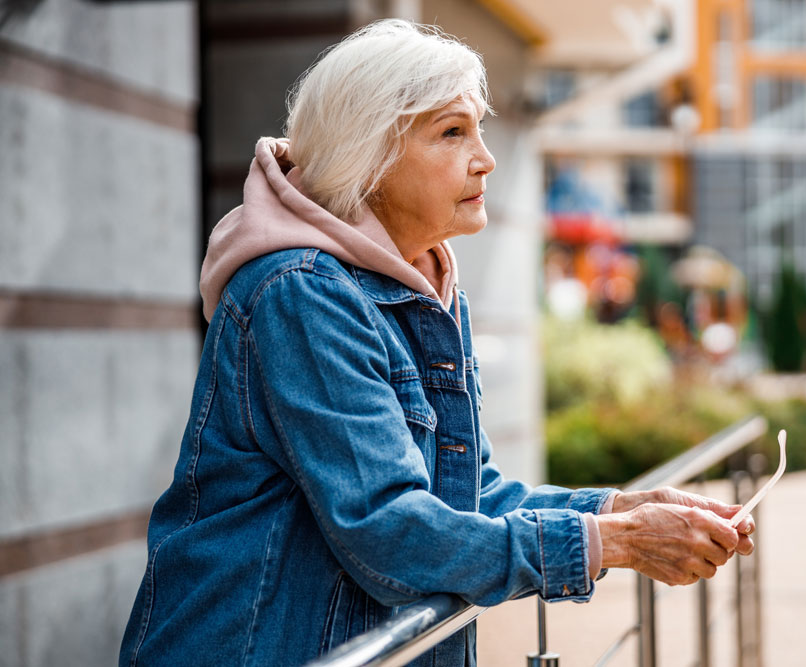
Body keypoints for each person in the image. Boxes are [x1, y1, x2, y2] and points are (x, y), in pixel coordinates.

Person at [119, 19, 754, 667]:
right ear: (367, 155)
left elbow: (467, 497)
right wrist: (614, 541)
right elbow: (388, 530)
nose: (486, 156)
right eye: (453, 132)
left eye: (480, 127)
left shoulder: (424, 280)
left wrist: (621, 507)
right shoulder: (301, 289)